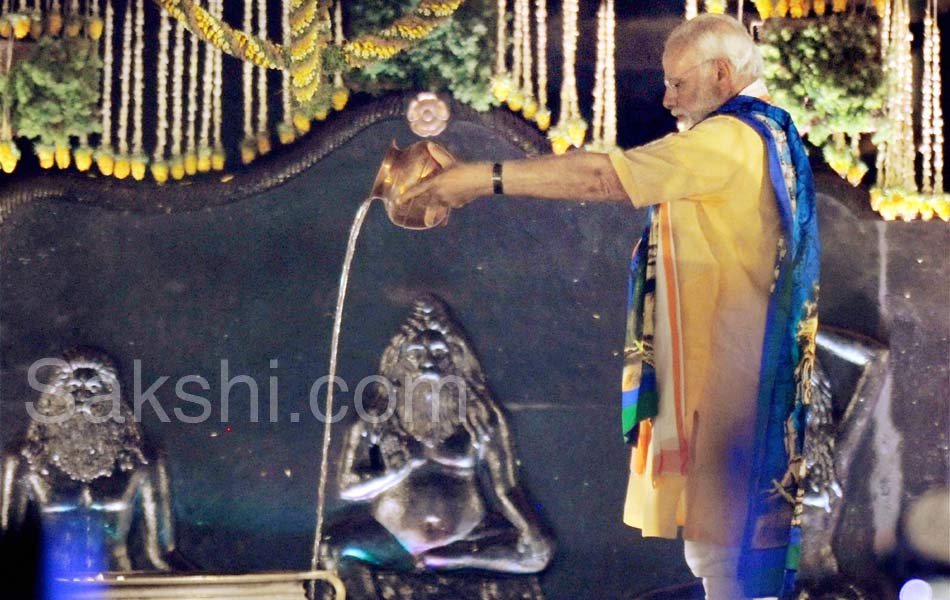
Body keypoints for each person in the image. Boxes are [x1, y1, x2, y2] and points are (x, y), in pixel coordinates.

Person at [400, 14, 819, 600]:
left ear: (722, 72)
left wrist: (480, 179)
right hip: (738, 374)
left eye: (678, 83)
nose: (668, 99)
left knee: (729, 559)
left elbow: (605, 178)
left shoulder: (730, 139)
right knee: (719, 554)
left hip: (732, 384)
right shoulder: (764, 134)